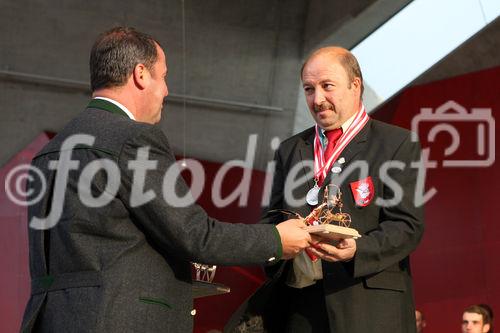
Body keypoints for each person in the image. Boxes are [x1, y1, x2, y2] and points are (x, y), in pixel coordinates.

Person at [20, 27, 312, 333]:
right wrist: (277, 240)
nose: (166, 91)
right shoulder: (133, 139)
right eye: (163, 76)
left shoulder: (48, 152)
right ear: (141, 74)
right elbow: (195, 235)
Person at [226, 46, 424, 332]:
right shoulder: (290, 149)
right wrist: (278, 246)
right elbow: (271, 219)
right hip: (299, 306)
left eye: (327, 86)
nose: (317, 99)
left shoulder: (397, 144)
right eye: (309, 89)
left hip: (367, 305)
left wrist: (357, 249)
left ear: (355, 85)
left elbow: (408, 225)